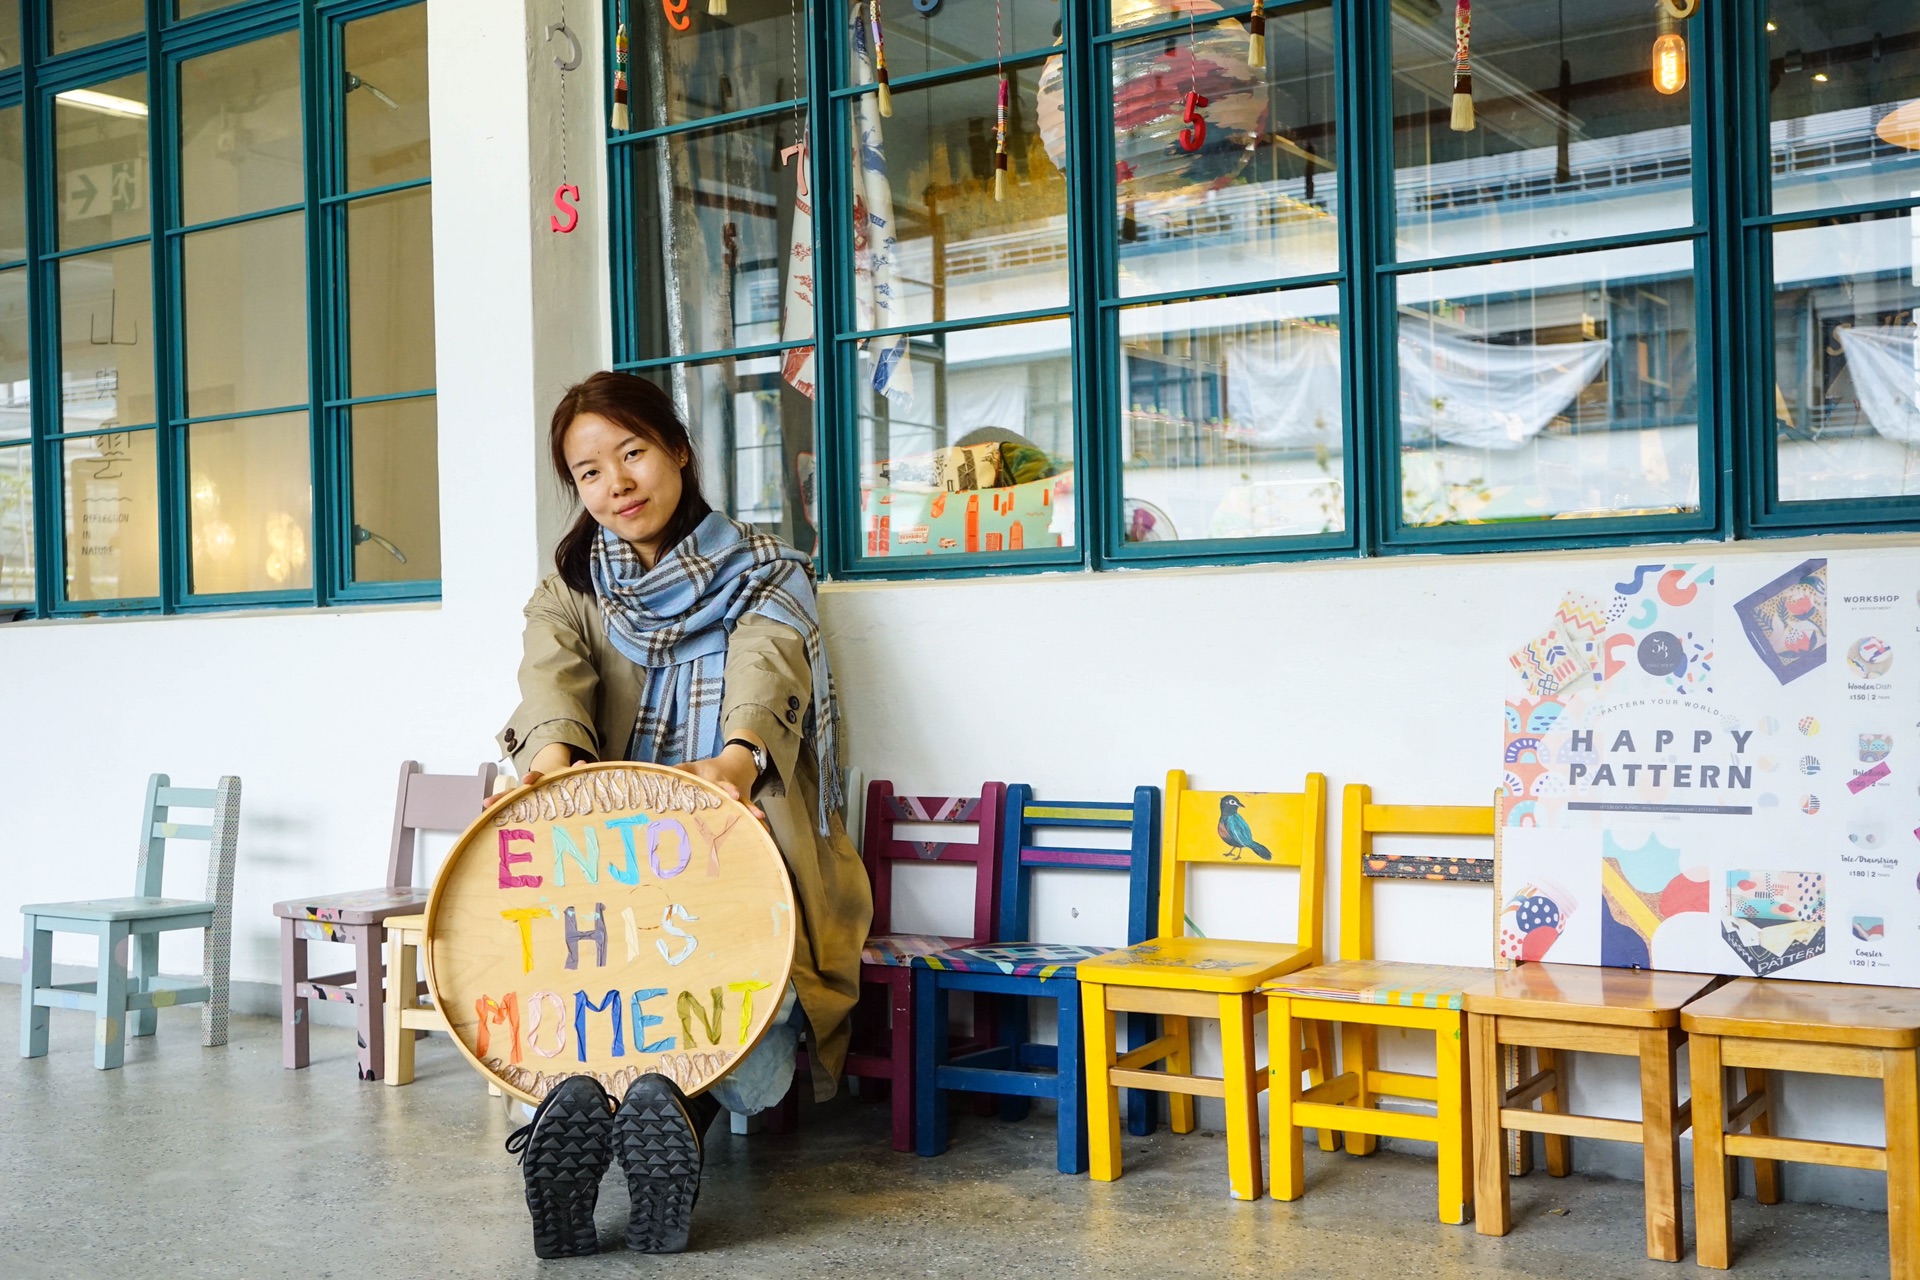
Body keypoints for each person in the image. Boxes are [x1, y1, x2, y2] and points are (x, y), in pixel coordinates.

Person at [493, 371, 872, 1257]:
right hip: (611, 863)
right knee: (573, 986)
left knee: (754, 1011)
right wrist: (549, 766)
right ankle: (649, 1118)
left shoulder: (767, 568)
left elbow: (768, 665)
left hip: (738, 849)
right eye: (588, 471)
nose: (616, 483)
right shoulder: (570, 589)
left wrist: (736, 761)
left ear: (679, 451)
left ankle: (610, 1121)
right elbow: (551, 678)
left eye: (631, 453)